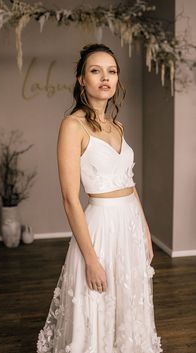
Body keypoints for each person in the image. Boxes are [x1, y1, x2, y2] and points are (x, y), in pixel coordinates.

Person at [36, 43, 163, 353]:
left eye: (112, 71)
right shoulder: (72, 126)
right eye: (96, 71)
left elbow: (129, 184)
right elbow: (69, 198)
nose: (105, 78)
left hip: (129, 224)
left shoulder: (117, 126)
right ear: (82, 79)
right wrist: (91, 259)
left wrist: (145, 231)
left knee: (127, 296)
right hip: (101, 229)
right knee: (97, 298)